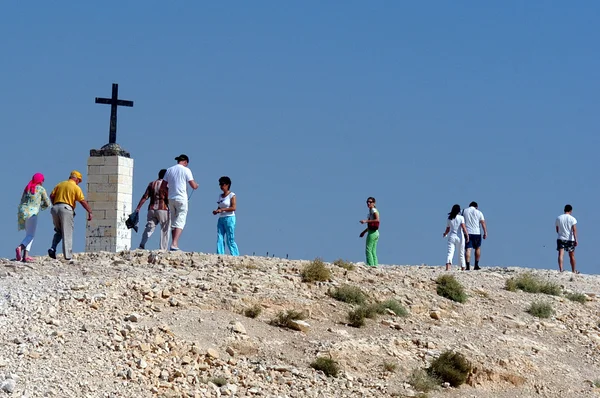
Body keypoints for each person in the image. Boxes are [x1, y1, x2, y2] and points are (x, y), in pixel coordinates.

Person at [48, 170, 93, 260]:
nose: (78, 183)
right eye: (79, 181)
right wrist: (89, 211)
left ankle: (53, 248)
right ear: (76, 179)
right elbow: (82, 201)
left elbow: (51, 195)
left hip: (55, 208)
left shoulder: (60, 184)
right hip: (66, 209)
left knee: (59, 231)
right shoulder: (75, 187)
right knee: (67, 232)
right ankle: (68, 256)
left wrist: (55, 204)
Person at [163, 154, 198, 251]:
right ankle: (174, 243)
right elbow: (193, 185)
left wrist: (168, 193)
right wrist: (196, 186)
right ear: (186, 162)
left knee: (173, 221)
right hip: (181, 198)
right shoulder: (186, 170)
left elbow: (163, 185)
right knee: (180, 220)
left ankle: (173, 243)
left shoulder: (169, 170)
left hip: (171, 198)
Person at [16, 173, 51, 262]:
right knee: (31, 235)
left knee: (28, 234)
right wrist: (42, 206)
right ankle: (20, 247)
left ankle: (25, 256)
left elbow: (22, 200)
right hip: (32, 213)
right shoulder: (41, 189)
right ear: (40, 180)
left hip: (22, 212)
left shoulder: (27, 188)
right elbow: (47, 203)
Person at [135, 169, 170, 250]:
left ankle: (142, 244)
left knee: (149, 227)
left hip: (151, 209)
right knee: (165, 229)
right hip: (163, 209)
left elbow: (145, 197)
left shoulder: (152, 183)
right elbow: (168, 197)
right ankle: (163, 248)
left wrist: (138, 208)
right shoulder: (166, 184)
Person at [212, 176, 239, 256]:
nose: (221, 186)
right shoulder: (220, 196)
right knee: (220, 236)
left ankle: (235, 255)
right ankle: (220, 254)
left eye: (223, 184)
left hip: (230, 218)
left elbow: (233, 207)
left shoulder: (232, 195)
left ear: (227, 185)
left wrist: (222, 210)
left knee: (230, 238)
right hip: (221, 218)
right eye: (220, 184)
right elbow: (220, 206)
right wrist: (217, 211)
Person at [443, 204, 469, 271]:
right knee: (461, 252)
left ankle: (448, 266)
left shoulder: (449, 218)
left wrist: (445, 233)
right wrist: (467, 235)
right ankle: (463, 267)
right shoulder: (461, 218)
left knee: (450, 252)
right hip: (460, 237)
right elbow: (463, 227)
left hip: (452, 236)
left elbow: (448, 229)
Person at [462, 201, 488, 270]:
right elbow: (483, 223)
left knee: (468, 249)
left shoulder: (464, 211)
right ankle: (476, 265)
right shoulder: (479, 212)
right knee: (477, 248)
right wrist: (485, 232)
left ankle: (467, 266)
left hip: (467, 232)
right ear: (476, 207)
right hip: (477, 232)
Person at [556, 204, 578, 273]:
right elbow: (574, 230)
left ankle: (561, 269)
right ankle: (573, 270)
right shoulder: (572, 219)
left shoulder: (559, 218)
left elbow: (557, 229)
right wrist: (576, 239)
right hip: (570, 239)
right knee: (571, 255)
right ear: (571, 210)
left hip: (561, 237)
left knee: (561, 254)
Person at [359, 197, 380, 266]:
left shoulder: (373, 210)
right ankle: (375, 265)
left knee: (368, 250)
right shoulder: (371, 212)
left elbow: (377, 220)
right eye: (367, 202)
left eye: (370, 202)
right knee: (373, 250)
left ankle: (370, 265)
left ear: (374, 203)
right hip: (375, 232)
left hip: (372, 233)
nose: (368, 203)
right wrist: (364, 232)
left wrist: (366, 221)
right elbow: (372, 224)